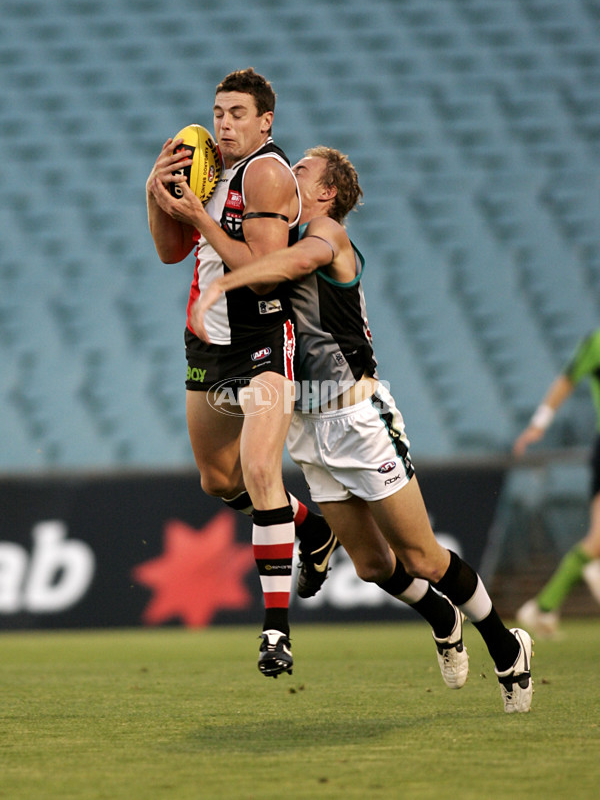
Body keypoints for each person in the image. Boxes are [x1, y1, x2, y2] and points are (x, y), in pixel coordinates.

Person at [190, 146, 534, 713]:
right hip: (307, 424)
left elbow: (296, 266)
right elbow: (253, 264)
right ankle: (441, 615)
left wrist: (224, 285)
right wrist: (205, 227)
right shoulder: (277, 235)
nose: (287, 175)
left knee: (422, 557)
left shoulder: (326, 232)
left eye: (300, 170)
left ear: (326, 193)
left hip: (357, 420)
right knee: (374, 566)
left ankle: (506, 645)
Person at [146, 68, 338, 678]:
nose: (223, 123)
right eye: (218, 111)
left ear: (265, 121)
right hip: (207, 342)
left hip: (260, 336)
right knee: (216, 478)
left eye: (235, 113)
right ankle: (312, 527)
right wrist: (155, 194)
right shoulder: (207, 166)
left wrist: (200, 218)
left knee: (259, 470)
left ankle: (275, 631)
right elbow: (170, 252)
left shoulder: (265, 173)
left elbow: (269, 268)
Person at [513, 329, 600, 638]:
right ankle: (545, 605)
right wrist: (539, 424)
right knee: (596, 540)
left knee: (596, 540)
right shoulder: (597, 342)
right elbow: (567, 380)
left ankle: (544, 607)